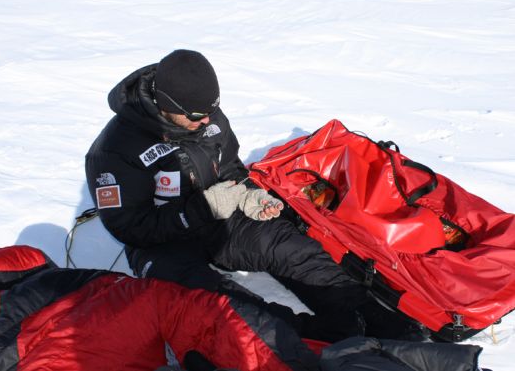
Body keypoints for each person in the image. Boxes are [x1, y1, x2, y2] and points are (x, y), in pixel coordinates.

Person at [85, 49, 418, 340]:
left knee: (291, 247)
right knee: (214, 301)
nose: (205, 124)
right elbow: (128, 227)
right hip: (161, 245)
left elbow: (229, 167)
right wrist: (204, 207)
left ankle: (368, 319)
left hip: (218, 221)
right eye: (197, 117)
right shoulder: (114, 150)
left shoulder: (208, 118)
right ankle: (300, 340)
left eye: (210, 114)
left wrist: (248, 195)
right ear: (166, 106)